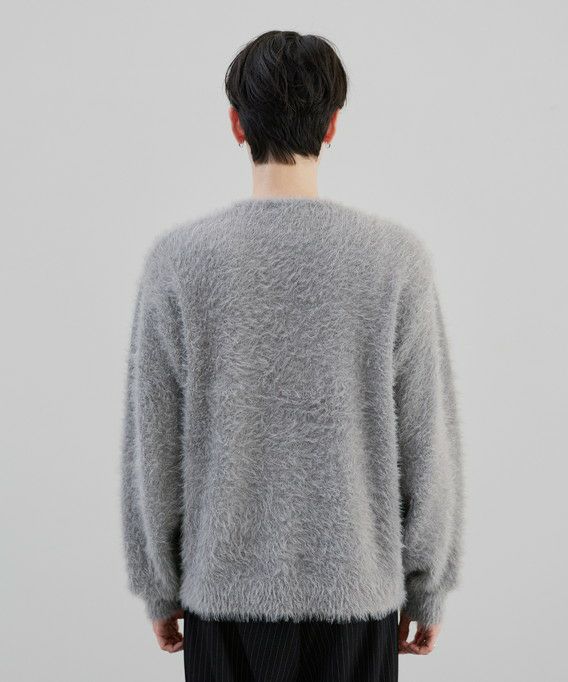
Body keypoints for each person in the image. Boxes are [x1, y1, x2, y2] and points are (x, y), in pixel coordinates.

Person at [120, 30, 465, 682]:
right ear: (332, 126)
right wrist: (429, 585)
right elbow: (427, 441)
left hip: (224, 600)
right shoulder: (395, 260)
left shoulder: (179, 262)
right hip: (357, 598)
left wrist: (159, 586)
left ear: (236, 124)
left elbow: (153, 448)